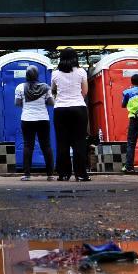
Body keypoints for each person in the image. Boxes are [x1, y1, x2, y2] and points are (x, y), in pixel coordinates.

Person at [51, 48, 90, 182]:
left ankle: (64, 174)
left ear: (61, 58)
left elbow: (53, 90)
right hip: (78, 108)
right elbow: (84, 92)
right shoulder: (81, 72)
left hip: (60, 109)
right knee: (79, 141)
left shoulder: (55, 74)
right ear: (75, 58)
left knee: (62, 142)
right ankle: (81, 174)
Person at [15, 65, 55, 181]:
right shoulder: (46, 87)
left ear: (26, 75)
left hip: (27, 119)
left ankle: (27, 174)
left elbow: (17, 103)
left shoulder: (20, 87)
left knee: (28, 146)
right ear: (37, 75)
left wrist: (27, 105)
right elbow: (51, 103)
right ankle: (50, 175)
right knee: (46, 146)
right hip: (43, 119)